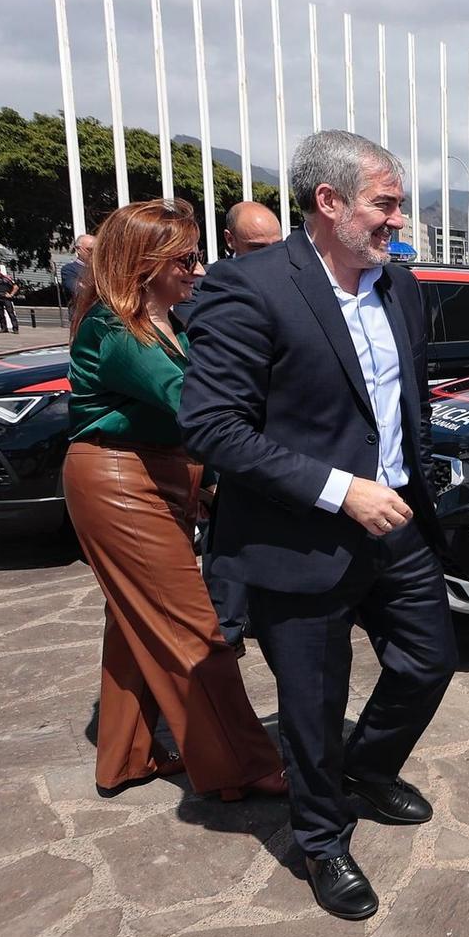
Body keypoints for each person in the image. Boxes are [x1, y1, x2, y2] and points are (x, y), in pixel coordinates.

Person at [181, 130, 456, 922]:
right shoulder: (250, 287)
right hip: (299, 535)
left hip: (396, 519)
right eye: (386, 203)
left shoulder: (401, 288)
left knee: (429, 660)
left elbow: (410, 403)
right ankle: (323, 837)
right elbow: (211, 426)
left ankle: (365, 770)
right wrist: (341, 490)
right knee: (311, 701)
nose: (397, 221)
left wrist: (412, 477)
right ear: (329, 202)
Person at [62, 198, 287, 802]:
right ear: (144, 263)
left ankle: (127, 755)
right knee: (192, 626)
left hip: (153, 476)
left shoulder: (161, 321)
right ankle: (242, 764)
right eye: (185, 259)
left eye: (196, 257)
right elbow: (196, 404)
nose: (197, 269)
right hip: (120, 481)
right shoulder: (117, 328)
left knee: (135, 624)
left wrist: (205, 480)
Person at [181, 199, 282, 653]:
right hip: (234, 449)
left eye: (275, 245)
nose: (268, 255)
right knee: (228, 551)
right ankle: (226, 632)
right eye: (257, 245)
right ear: (230, 242)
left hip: (281, 450)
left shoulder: (295, 288)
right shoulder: (215, 293)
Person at [60, 234, 94, 312]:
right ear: (78, 250)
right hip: (82, 317)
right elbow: (79, 291)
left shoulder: (102, 270)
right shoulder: (69, 270)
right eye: (90, 249)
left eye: (97, 250)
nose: (94, 253)